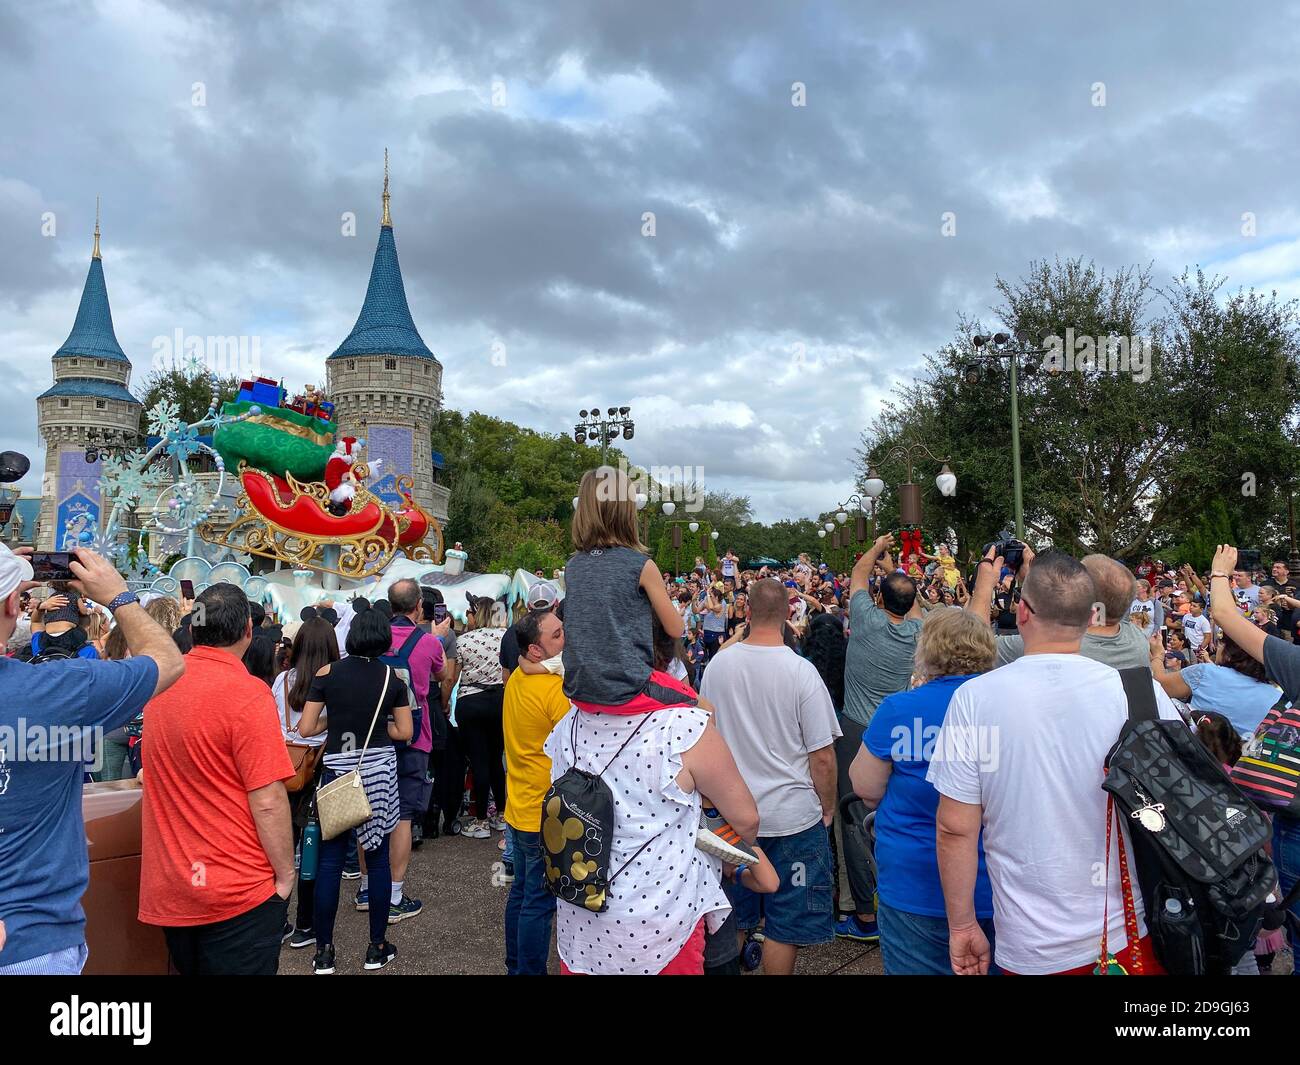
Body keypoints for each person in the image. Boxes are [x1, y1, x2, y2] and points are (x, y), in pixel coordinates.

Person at [931, 549, 1184, 976]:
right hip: (1131, 933)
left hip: (1032, 946)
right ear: (1090, 618)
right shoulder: (1141, 693)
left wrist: (962, 924)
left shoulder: (974, 699)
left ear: (1023, 611)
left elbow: (955, 827)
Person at [0, 546, 184, 975]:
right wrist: (118, 596)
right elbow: (167, 662)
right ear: (14, 602)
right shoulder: (58, 690)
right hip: (31, 940)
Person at [543, 676, 757, 975]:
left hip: (583, 927)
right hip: (663, 926)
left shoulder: (571, 722)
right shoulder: (682, 726)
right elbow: (746, 820)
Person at [138, 584, 296, 976]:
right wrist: (285, 874)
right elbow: (268, 798)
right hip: (238, 887)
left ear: (192, 630)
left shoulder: (159, 686)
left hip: (172, 883)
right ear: (248, 629)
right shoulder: (249, 694)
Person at [701, 578, 840, 974]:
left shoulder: (718, 666)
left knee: (733, 917)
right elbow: (823, 756)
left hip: (731, 817)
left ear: (746, 612)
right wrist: (825, 808)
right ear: (786, 616)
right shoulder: (802, 672)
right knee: (786, 923)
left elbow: (705, 733)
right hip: (792, 817)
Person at [850, 609, 998, 974]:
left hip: (912, 879)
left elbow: (865, 788)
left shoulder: (900, 709)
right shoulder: (1006, 707)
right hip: (992, 881)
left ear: (928, 650)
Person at [298, 602, 413, 974]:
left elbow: (306, 729)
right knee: (376, 859)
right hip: (378, 774)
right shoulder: (392, 680)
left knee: (330, 862)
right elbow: (404, 732)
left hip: (337, 776)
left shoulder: (326, 673)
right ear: (382, 639)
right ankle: (376, 947)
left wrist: (338, 719)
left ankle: (325, 952)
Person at [838, 533, 921, 940]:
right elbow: (913, 603)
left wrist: (877, 546)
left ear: (879, 599)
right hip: (899, 731)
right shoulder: (918, 631)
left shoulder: (867, 621)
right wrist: (895, 569)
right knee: (894, 813)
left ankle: (865, 916)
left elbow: (857, 572)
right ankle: (897, 897)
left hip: (857, 728)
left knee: (854, 820)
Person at [375, 578, 447, 923]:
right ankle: (394, 895)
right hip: (415, 738)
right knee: (403, 815)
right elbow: (442, 673)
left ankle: (364, 889)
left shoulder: (375, 638)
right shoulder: (430, 642)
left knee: (370, 811)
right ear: (419, 605)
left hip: (375, 735)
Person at [501, 608, 569, 974]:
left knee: (522, 893)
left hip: (520, 805)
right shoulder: (552, 690)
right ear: (536, 649)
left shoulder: (518, 678)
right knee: (538, 902)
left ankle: (515, 965)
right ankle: (527, 969)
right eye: (556, 634)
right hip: (542, 811)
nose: (565, 636)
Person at [272, 617, 338, 949]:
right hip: (317, 772)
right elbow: (319, 728)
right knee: (313, 850)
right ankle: (305, 925)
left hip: (282, 772)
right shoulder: (333, 681)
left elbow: (273, 724)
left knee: (281, 851)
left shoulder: (283, 680)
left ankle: (276, 921)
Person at [455, 596, 509, 837]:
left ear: (476, 614)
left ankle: (480, 820)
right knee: (496, 759)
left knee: (478, 760)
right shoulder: (506, 637)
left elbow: (450, 677)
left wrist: (446, 702)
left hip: (471, 700)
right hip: (500, 700)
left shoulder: (464, 640)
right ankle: (502, 815)